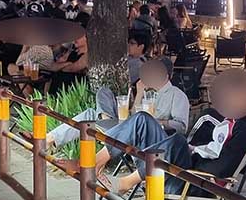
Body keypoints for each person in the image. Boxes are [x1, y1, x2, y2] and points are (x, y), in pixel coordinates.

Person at [85, 69, 246, 195]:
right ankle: (95, 162)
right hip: (177, 166)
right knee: (142, 119)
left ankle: (126, 183)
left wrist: (192, 153)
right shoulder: (231, 118)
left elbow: (221, 169)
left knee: (177, 141)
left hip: (192, 181)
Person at [46, 59, 190, 150]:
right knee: (103, 93)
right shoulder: (147, 91)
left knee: (90, 115)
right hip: (127, 125)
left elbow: (181, 127)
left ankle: (105, 123)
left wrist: (156, 122)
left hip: (141, 135)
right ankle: (50, 138)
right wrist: (139, 93)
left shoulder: (177, 95)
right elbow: (133, 114)